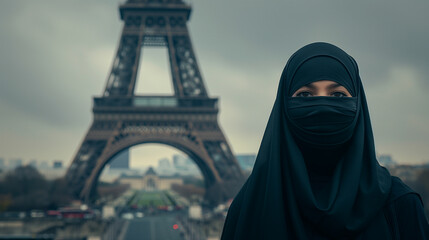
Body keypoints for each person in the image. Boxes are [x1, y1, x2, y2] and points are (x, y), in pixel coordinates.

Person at [221, 42, 429, 239]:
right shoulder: (396, 204)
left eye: (338, 95)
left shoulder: (402, 205)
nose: (322, 106)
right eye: (304, 95)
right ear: (284, 106)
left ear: (359, 106)